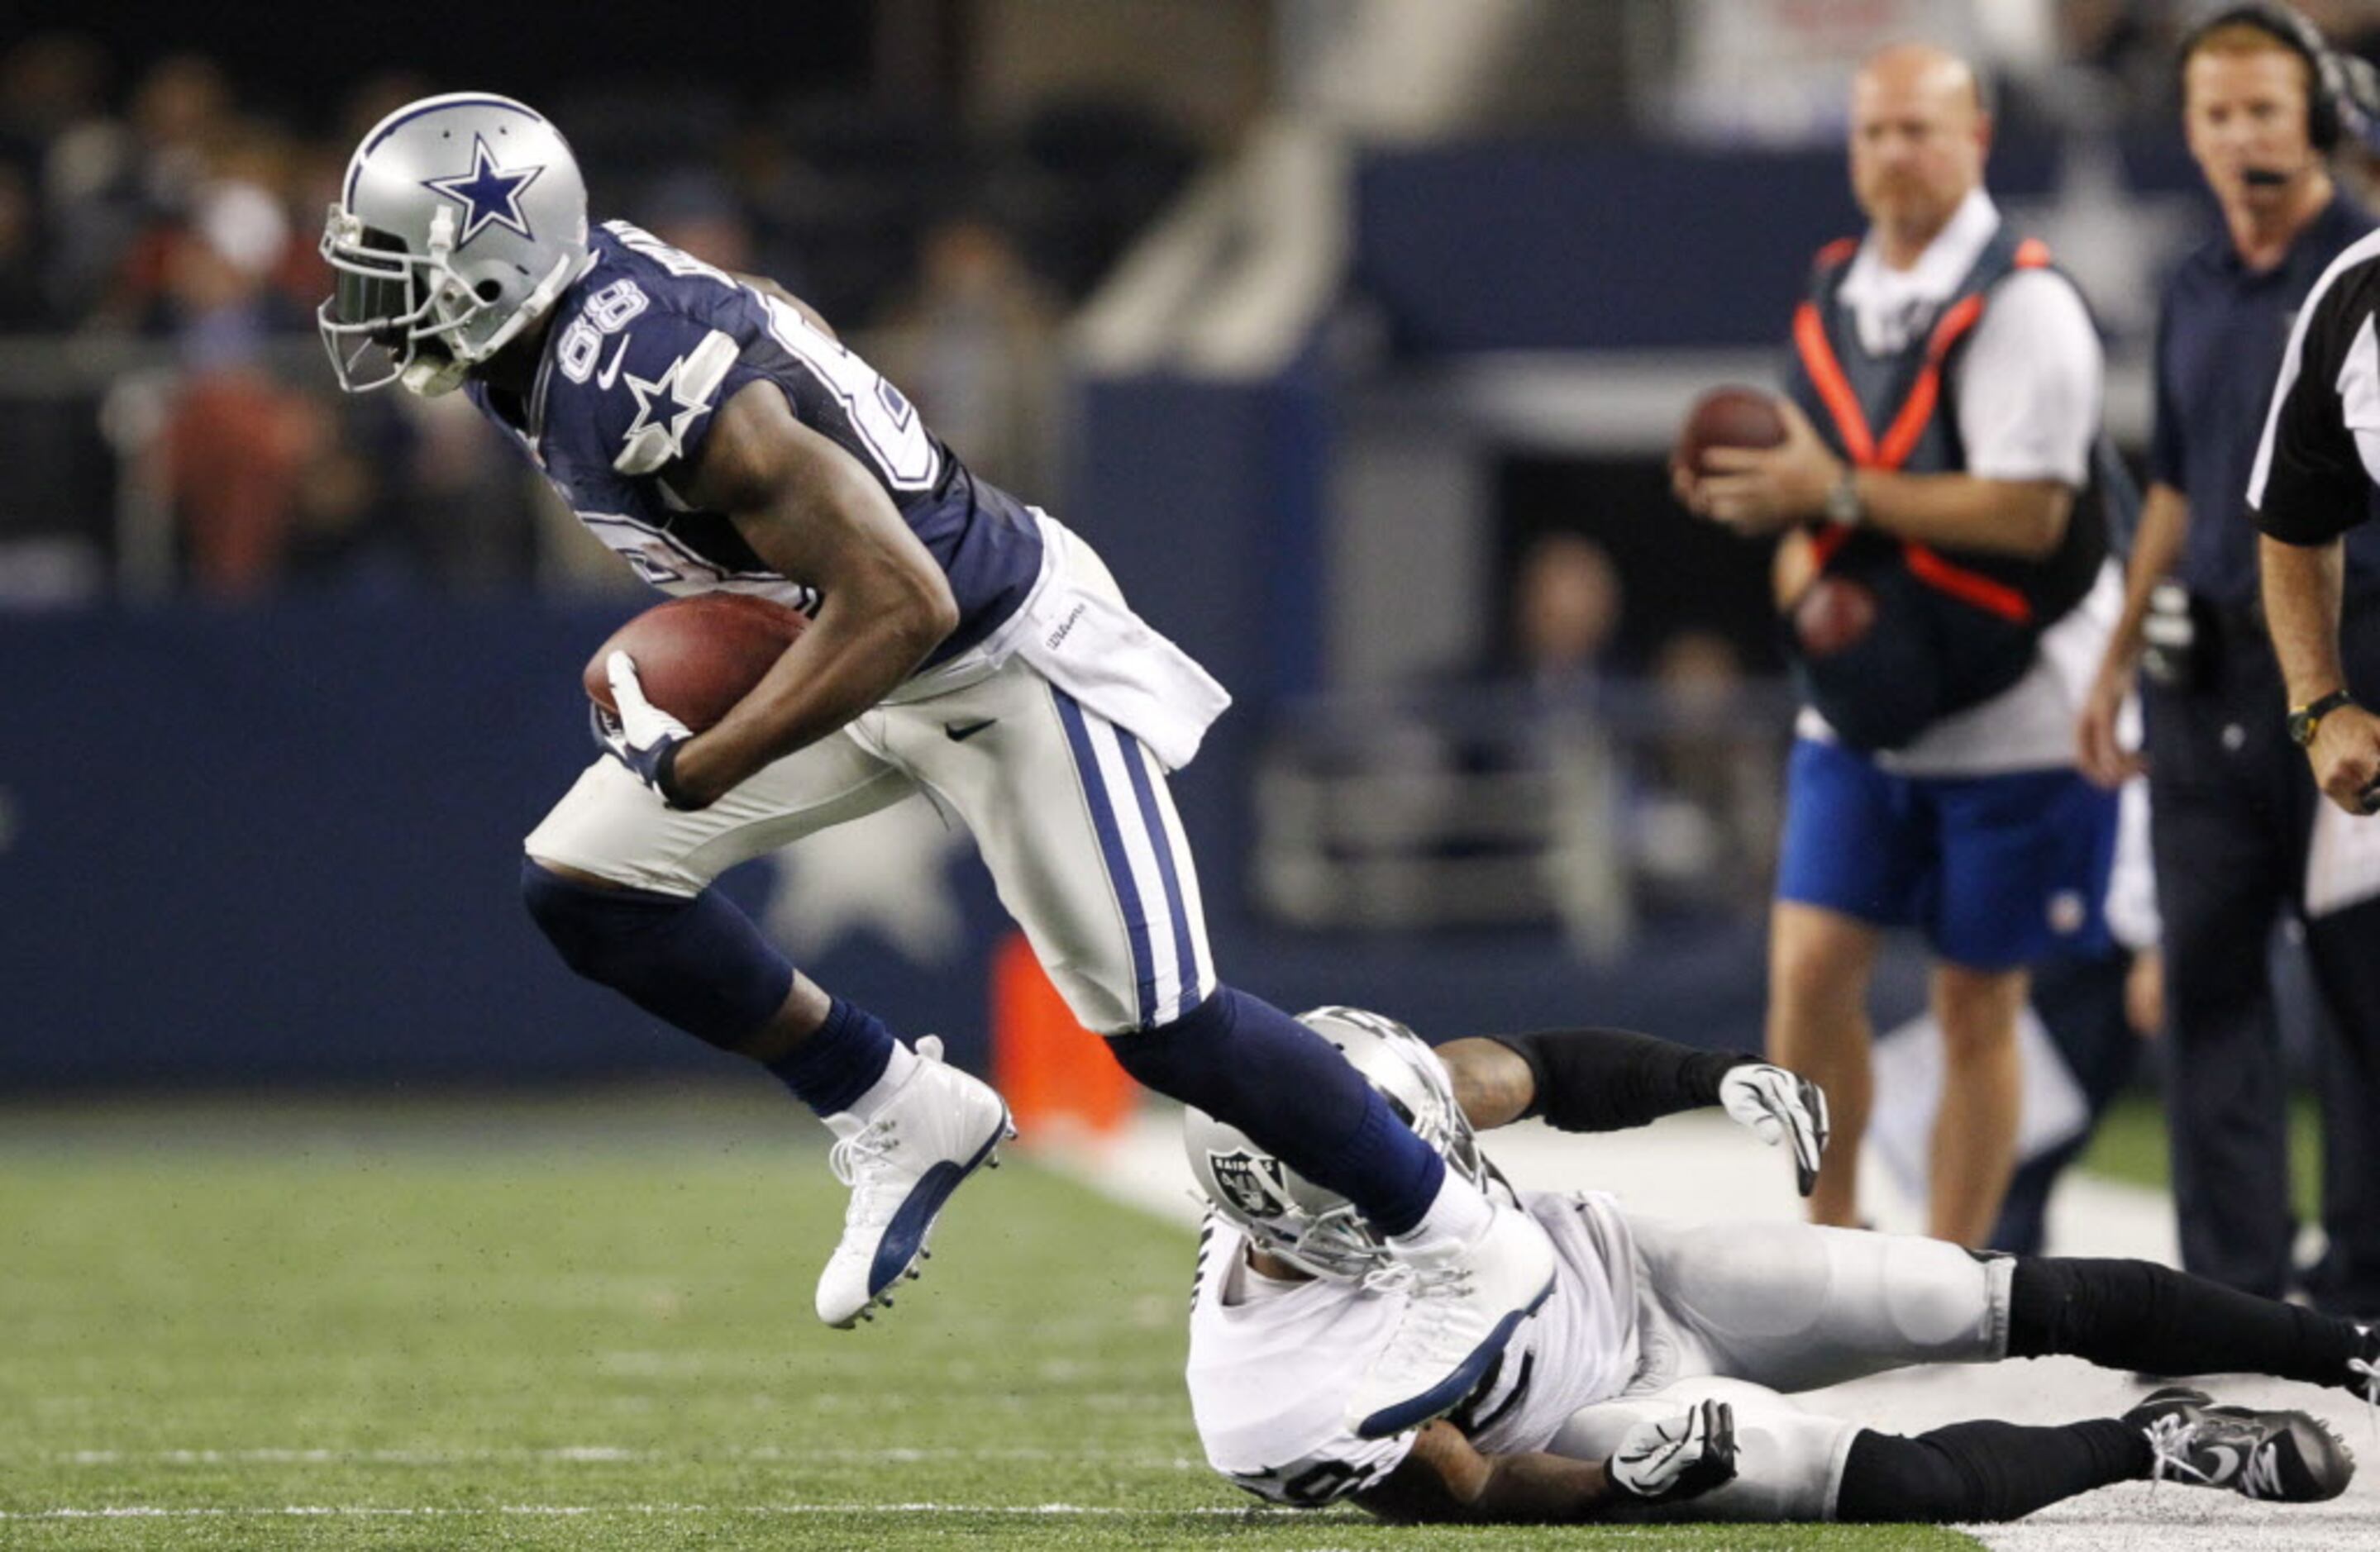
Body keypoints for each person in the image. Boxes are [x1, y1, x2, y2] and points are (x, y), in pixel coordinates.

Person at [314, 92, 1554, 1440]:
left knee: (1167, 1025)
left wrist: (712, 757)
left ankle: (1459, 1239)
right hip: (841, 636)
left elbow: (903, 594)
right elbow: (785, 335)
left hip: (990, 660)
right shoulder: (565, 333)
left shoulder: (630, 378)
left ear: (498, 262)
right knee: (584, 882)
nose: (377, 310)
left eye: (402, 278)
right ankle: (896, 1101)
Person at [1182, 1007, 2378, 1524]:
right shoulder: (1279, 1403)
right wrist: (1627, 1486)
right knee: (1895, 1486)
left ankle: (2350, 1347)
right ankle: (2161, 1440)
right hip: (1593, 1415)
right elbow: (1483, 1491)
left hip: (1634, 1270)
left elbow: (1541, 1066)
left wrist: (1716, 1075)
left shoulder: (1342, 1105)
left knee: (1977, 1292)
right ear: (1323, 1230)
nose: (1426, 1163)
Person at [1674, 43, 2125, 1246]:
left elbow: (2031, 512)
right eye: (1873, 132)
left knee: (1979, 999)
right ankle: (1832, 1237)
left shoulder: (2027, 301)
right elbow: (1795, 498)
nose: (1893, 156)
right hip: (1867, 700)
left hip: (2014, 700)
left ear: (1975, 135)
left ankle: (1949, 1269)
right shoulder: (1834, 294)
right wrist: (1797, 565)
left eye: (1918, 130)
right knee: (1809, 969)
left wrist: (1844, 495)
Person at [2077, 4, 2380, 1319]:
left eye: (2268, 106)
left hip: (2334, 664)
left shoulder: (2356, 268)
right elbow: (2178, 484)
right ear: (2189, 128)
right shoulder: (2196, 281)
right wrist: (2109, 661)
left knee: (2360, 986)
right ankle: (2232, 1290)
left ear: (2316, 116)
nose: (2244, 132)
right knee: (2206, 982)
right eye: (2219, 110)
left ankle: (2365, 1272)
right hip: (2197, 674)